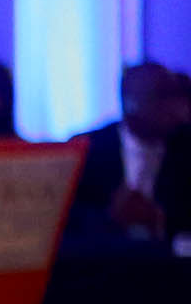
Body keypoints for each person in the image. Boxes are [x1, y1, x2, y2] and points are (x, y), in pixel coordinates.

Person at [67, 60, 191, 249]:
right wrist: (110, 217)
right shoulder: (86, 149)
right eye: (163, 97)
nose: (177, 108)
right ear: (131, 104)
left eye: (177, 97)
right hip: (103, 260)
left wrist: (159, 218)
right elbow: (66, 218)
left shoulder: (184, 147)